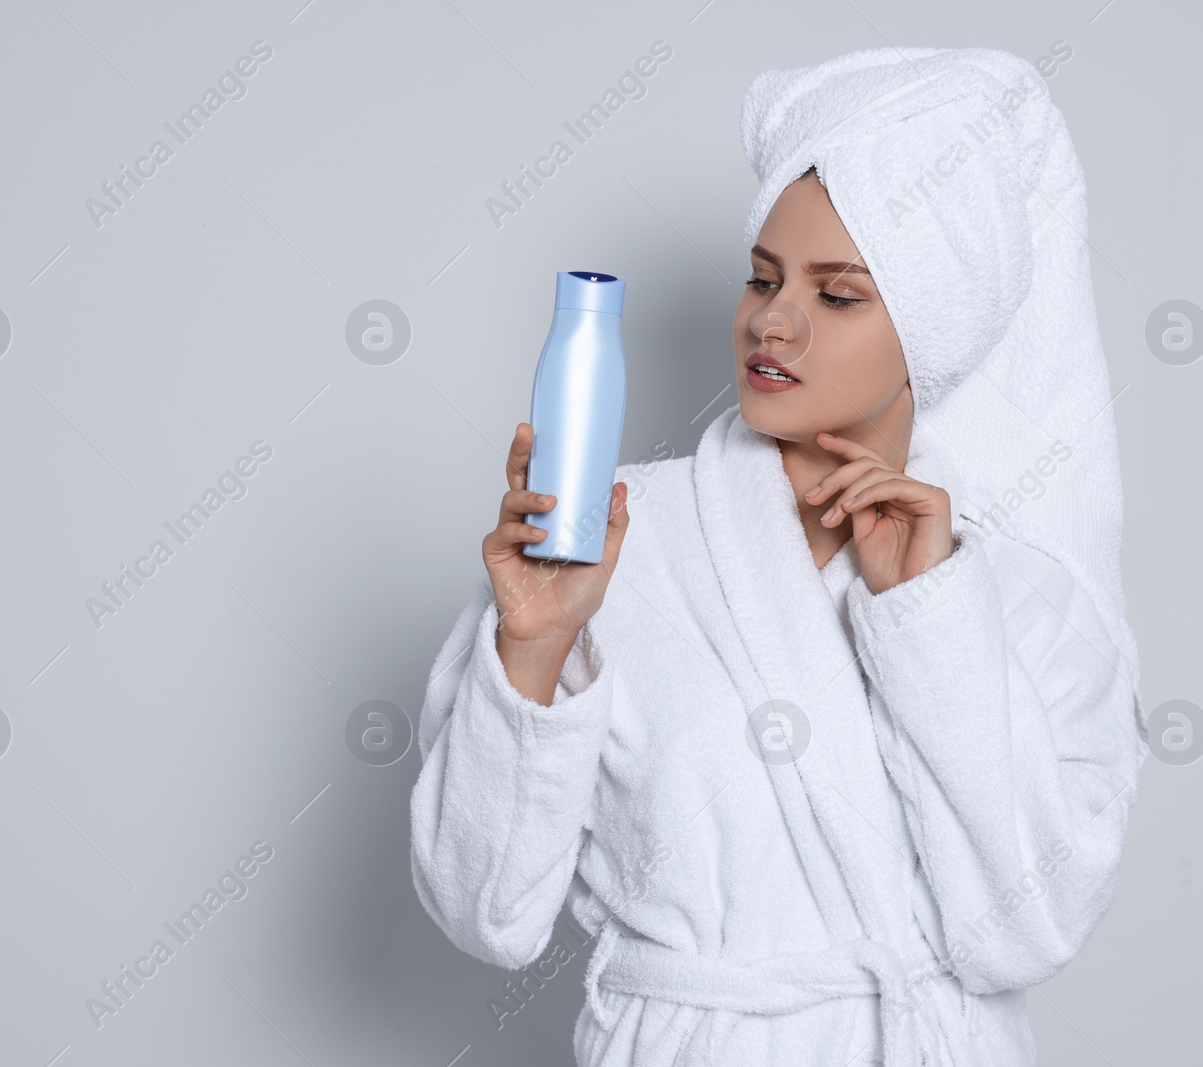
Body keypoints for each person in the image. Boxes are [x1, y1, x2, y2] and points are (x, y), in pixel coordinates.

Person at [411, 46, 1150, 1066]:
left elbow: (1025, 931)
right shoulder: (619, 546)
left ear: (930, 332)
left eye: (838, 294)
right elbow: (484, 911)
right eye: (762, 278)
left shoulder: (1019, 598)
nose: (772, 318)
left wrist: (928, 614)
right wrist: (533, 648)